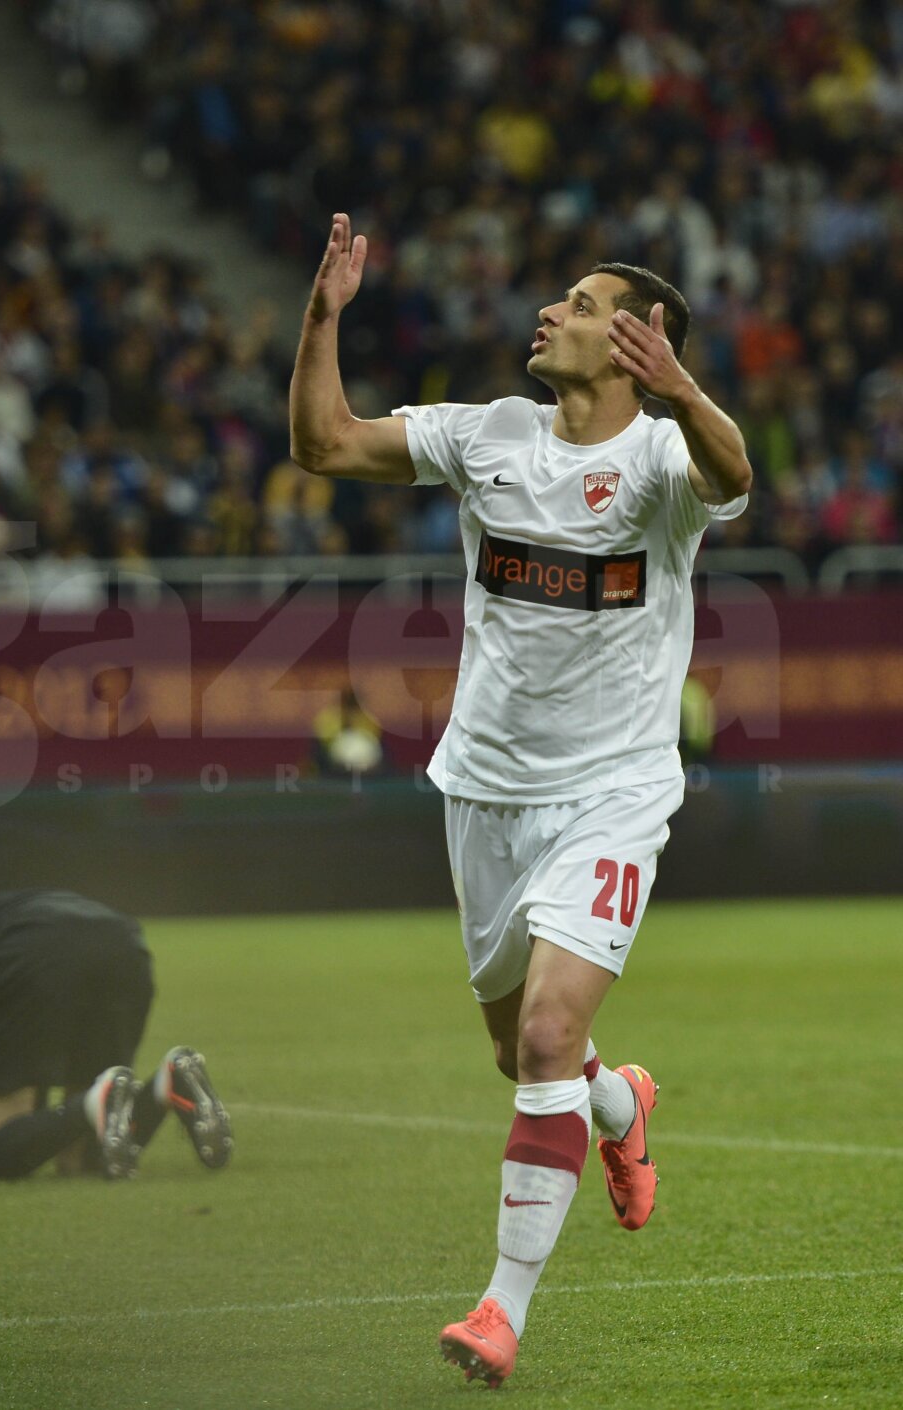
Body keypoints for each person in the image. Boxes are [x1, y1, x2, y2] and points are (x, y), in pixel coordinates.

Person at [289, 214, 751, 1387]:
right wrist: (322, 320)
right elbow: (326, 443)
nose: (551, 312)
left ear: (638, 341)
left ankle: (502, 1311)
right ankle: (619, 1103)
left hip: (613, 793)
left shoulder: (662, 462)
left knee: (547, 1034)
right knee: (523, 1055)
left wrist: (684, 392)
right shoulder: (487, 433)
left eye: (582, 304)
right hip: (484, 794)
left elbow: (735, 475)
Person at [0, 889, 233, 1182]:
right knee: (82, 1158)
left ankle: (93, 1102)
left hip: (30, 943)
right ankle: (165, 1085)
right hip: (121, 938)